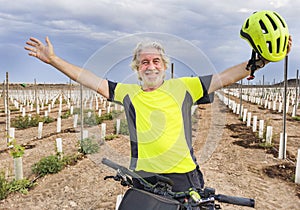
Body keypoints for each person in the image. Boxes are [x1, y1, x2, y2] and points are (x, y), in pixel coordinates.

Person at [24, 26, 292, 195]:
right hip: (144, 178)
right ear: (137, 68)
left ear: (164, 65)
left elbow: (224, 77)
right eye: (144, 62)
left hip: (184, 177)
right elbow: (89, 79)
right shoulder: (127, 93)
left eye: (155, 61)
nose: (150, 66)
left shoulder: (184, 87)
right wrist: (54, 60)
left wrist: (260, 61)